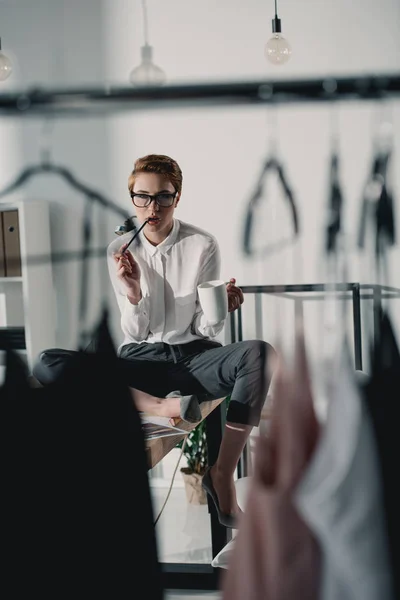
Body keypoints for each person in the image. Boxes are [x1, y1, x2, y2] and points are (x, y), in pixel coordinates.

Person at [33, 154, 276, 529]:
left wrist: (219, 309)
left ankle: (222, 473)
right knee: (48, 360)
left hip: (195, 360)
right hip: (142, 362)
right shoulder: (120, 249)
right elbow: (135, 333)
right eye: (142, 196)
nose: (152, 207)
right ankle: (163, 406)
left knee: (260, 353)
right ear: (131, 196)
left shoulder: (202, 244)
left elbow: (205, 328)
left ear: (177, 197)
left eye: (163, 197)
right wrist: (132, 292)